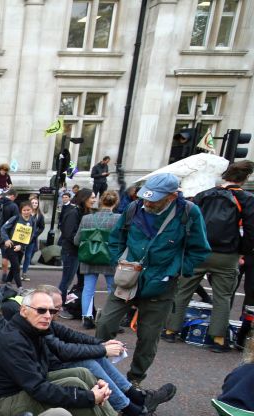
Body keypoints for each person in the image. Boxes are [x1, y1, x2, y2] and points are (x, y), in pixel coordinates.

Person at [0, 289, 167, 416]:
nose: (48, 315)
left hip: (23, 388)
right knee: (79, 388)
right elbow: (39, 389)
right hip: (3, 402)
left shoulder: (34, 328)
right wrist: (90, 397)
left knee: (83, 373)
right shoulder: (14, 340)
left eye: (52, 311)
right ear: (24, 310)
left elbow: (67, 343)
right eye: (41, 310)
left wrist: (96, 388)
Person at [95, 173, 211, 385]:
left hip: (161, 283)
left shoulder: (188, 212)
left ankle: (135, 380)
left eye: (154, 199)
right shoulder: (134, 208)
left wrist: (177, 270)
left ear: (172, 196)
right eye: (146, 197)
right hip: (128, 278)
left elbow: (200, 249)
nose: (147, 202)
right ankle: (95, 371)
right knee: (104, 324)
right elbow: (116, 238)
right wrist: (119, 262)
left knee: (148, 337)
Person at [35, 285, 177, 416]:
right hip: (41, 375)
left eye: (56, 309)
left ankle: (137, 397)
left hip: (48, 365)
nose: (55, 314)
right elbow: (62, 350)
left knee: (94, 355)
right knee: (86, 363)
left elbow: (71, 335)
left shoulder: (43, 318)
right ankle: (131, 411)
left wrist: (100, 344)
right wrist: (103, 350)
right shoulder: (37, 322)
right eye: (54, 309)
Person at [163, 161, 254, 353]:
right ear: (245, 178)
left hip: (198, 250)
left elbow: (188, 221)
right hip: (227, 253)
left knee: (183, 291)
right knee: (222, 296)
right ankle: (218, 339)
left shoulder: (203, 195)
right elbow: (250, 229)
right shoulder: (246, 198)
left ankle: (171, 330)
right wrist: (243, 251)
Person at [75, 190, 121, 328]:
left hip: (89, 257)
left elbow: (77, 240)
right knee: (112, 289)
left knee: (88, 288)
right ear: (116, 202)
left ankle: (87, 318)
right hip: (109, 257)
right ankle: (110, 320)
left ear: (101, 201)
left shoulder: (86, 218)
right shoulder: (119, 218)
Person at [58, 188, 94, 303]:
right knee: (66, 280)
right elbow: (69, 234)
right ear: (84, 198)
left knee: (80, 280)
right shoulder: (73, 212)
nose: (94, 200)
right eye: (92, 197)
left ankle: (74, 303)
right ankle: (59, 304)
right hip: (71, 252)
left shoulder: (82, 212)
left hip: (78, 252)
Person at [0, 201, 38, 288]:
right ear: (21, 211)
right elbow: (3, 228)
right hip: (11, 246)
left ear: (31, 210)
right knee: (16, 268)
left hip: (21, 247)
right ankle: (20, 287)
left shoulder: (32, 220)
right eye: (24, 210)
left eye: (28, 210)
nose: (26, 212)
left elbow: (31, 235)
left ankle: (7, 283)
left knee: (14, 267)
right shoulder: (15, 218)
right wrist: (6, 240)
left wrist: (22, 246)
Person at [21, 194, 45, 280]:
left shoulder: (39, 215)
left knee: (28, 256)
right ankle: (15, 273)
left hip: (32, 239)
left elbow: (42, 227)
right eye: (33, 203)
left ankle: (24, 273)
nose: (35, 204)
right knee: (18, 255)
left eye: (36, 203)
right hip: (22, 237)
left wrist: (35, 234)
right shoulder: (25, 212)